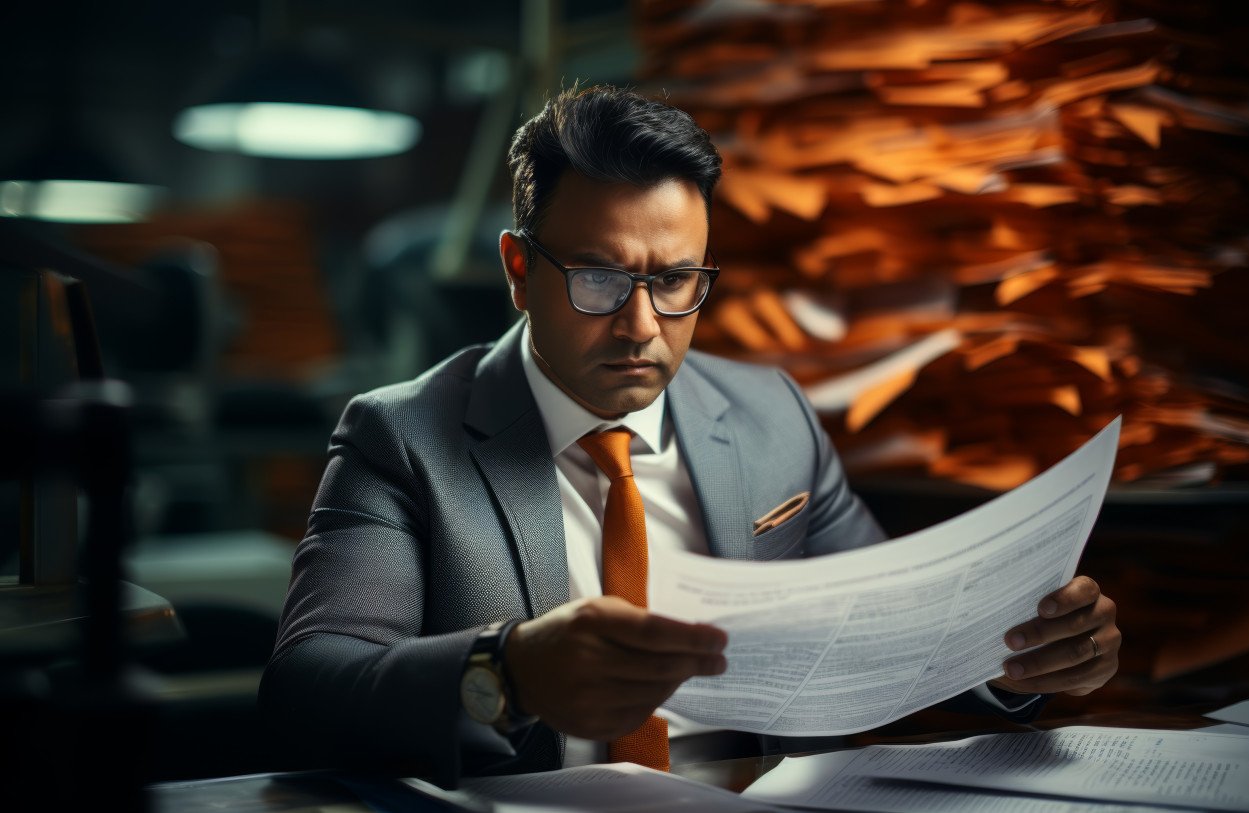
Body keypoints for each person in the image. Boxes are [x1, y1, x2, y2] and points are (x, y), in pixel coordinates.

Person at [259, 84, 1121, 788]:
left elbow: (890, 625)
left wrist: (1015, 663)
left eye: (675, 279)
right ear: (519, 271)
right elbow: (307, 690)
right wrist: (506, 670)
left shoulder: (770, 416)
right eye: (599, 277)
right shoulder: (403, 436)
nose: (642, 325)